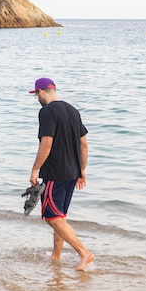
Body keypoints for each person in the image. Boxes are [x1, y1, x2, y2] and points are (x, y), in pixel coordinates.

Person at [29, 77, 94, 271]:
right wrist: (82, 171)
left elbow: (46, 143)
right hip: (72, 172)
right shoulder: (72, 110)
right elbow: (84, 144)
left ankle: (84, 253)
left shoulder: (47, 112)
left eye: (36, 95)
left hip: (55, 173)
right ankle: (56, 256)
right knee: (60, 216)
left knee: (52, 217)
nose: (37, 99)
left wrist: (34, 170)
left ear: (41, 92)